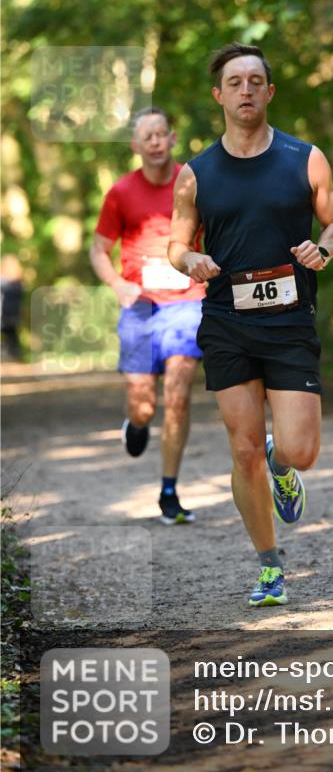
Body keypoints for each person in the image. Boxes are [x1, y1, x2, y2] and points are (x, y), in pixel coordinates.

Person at [168, 42, 333, 607]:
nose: (245, 90)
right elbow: (176, 243)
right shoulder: (194, 175)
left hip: (291, 320)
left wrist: (322, 249)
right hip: (227, 320)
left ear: (270, 92)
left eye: (255, 81)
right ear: (218, 95)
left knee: (300, 451)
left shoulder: (305, 158)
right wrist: (188, 260)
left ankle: (282, 464)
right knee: (241, 448)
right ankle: (270, 566)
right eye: (234, 82)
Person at [90, 107, 206, 525]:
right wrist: (119, 286)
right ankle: (135, 424)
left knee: (178, 391)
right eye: (147, 136)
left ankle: (169, 491)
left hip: (187, 301)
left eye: (162, 134)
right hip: (140, 307)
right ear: (136, 147)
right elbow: (98, 250)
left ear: (173, 139)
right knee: (144, 405)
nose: (156, 141)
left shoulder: (193, 183)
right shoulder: (121, 192)